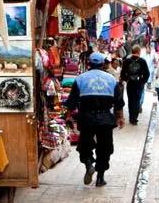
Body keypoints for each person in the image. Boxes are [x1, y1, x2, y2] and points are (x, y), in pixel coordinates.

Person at [65, 52, 125, 187]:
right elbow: (118, 102)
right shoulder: (110, 79)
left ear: (89, 64)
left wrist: (68, 115)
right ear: (103, 64)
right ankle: (100, 177)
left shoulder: (80, 79)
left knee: (84, 144)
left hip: (87, 117)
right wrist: (120, 118)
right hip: (105, 118)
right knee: (105, 147)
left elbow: (72, 100)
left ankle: (88, 164)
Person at [120, 44, 151, 125]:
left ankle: (131, 117)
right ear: (139, 51)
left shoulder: (127, 61)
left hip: (130, 83)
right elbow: (147, 73)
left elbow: (122, 73)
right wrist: (143, 81)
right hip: (138, 83)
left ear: (132, 51)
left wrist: (126, 79)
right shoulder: (142, 61)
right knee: (137, 100)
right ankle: (134, 118)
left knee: (130, 100)